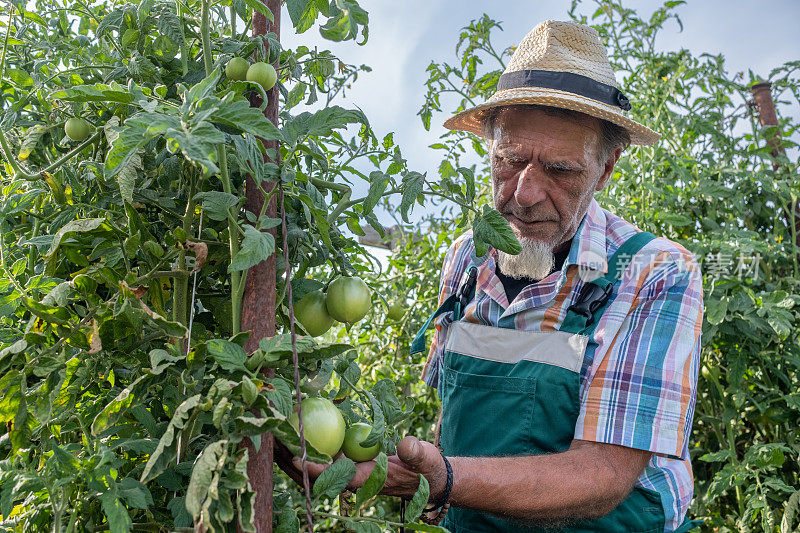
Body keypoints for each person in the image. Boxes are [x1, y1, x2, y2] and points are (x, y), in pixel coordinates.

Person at [278, 20, 703, 533]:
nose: (524, 194)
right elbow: (456, 424)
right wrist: (414, 477)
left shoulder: (653, 273)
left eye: (561, 170)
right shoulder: (465, 260)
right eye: (509, 160)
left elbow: (605, 474)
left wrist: (445, 479)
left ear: (606, 168)